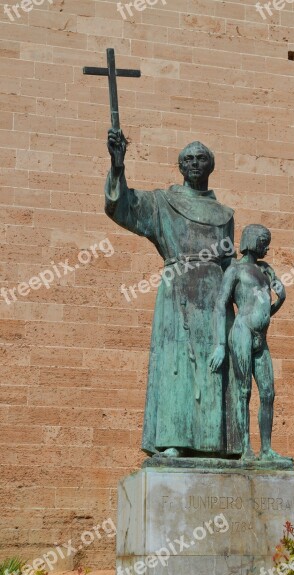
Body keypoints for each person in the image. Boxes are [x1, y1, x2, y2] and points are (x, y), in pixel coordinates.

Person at [106, 129, 235, 457]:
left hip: (215, 296)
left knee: (215, 365)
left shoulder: (225, 215)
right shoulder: (163, 202)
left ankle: (216, 444)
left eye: (200, 158)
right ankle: (173, 441)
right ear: (180, 166)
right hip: (177, 290)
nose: (194, 163)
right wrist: (118, 166)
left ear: (211, 166)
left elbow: (230, 261)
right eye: (188, 159)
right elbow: (123, 207)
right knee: (176, 363)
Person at [209, 224, 286, 461]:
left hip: (260, 339)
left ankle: (266, 449)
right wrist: (220, 344)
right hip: (242, 332)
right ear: (252, 241)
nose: (267, 246)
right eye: (264, 241)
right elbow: (221, 303)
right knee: (244, 391)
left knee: (268, 393)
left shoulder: (265, 270)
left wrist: (278, 300)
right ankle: (245, 449)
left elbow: (274, 298)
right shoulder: (235, 270)